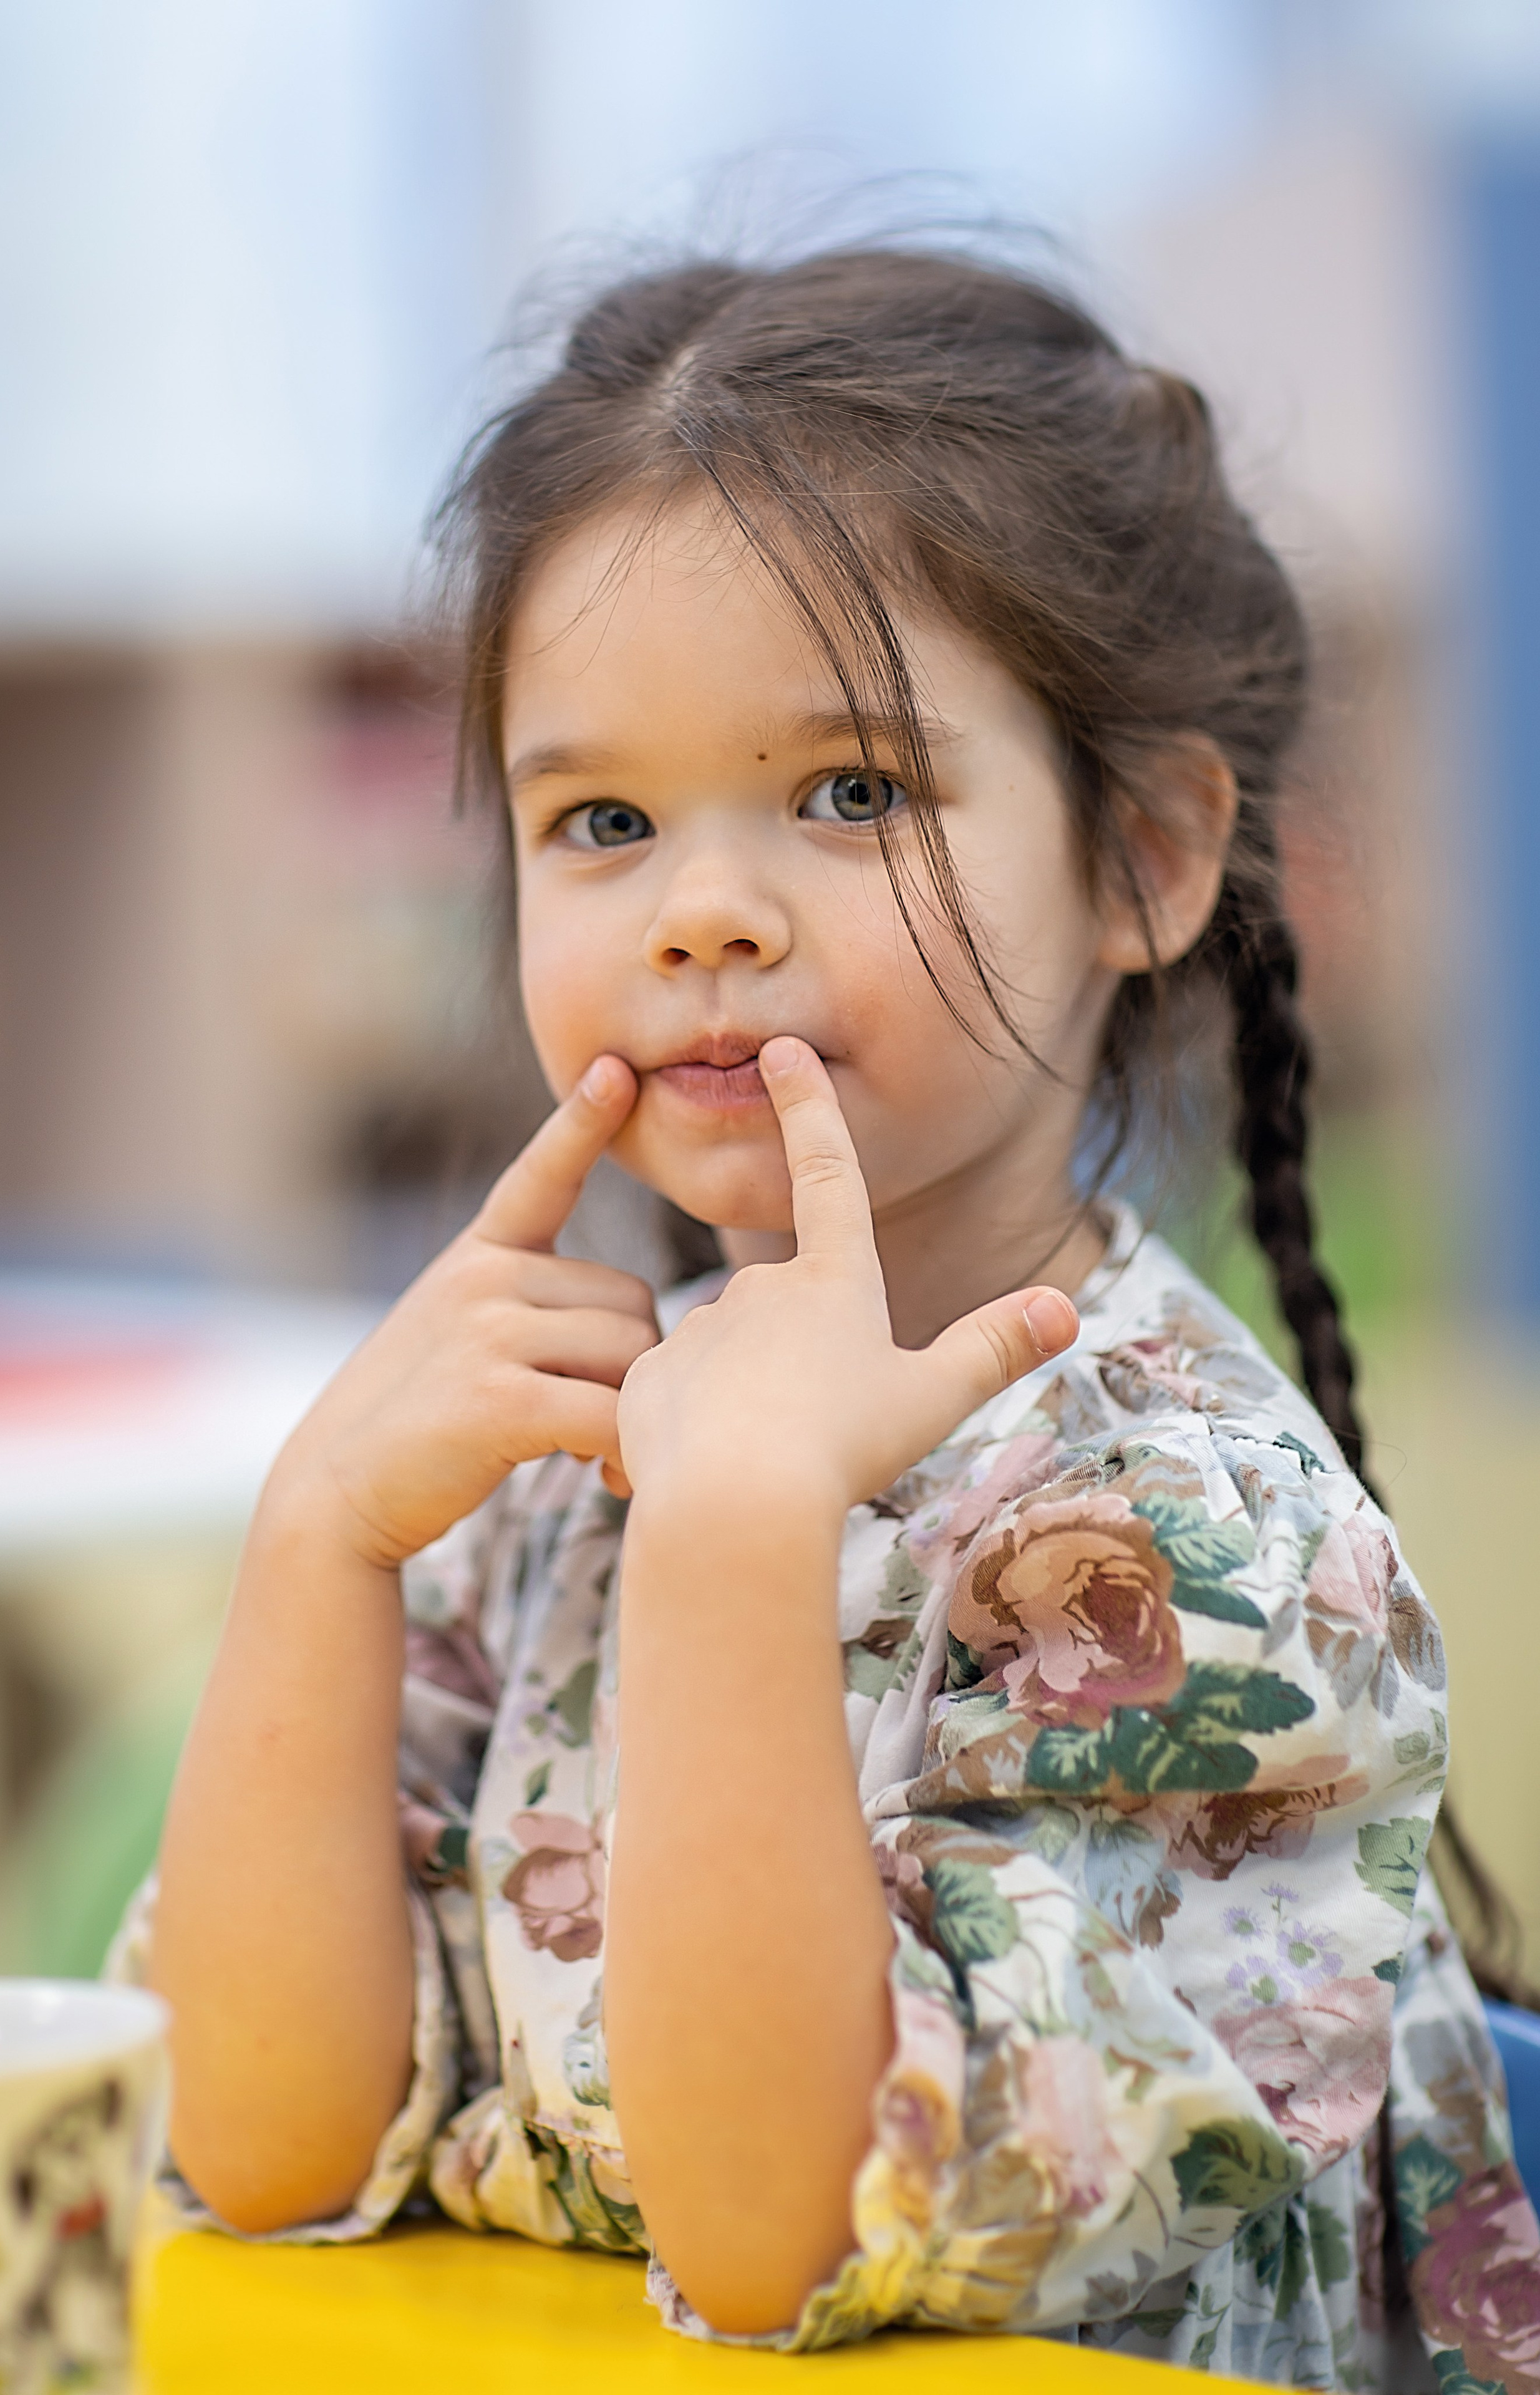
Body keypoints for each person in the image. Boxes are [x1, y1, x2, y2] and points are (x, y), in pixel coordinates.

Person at [111, 248, 1540, 2385]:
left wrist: (734, 1541)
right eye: (599, 820)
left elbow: (785, 2242)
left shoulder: (1202, 1558)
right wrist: (319, 1541)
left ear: (1142, 856)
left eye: (853, 792)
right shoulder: (546, 1459)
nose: (701, 910)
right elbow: (258, 2137)